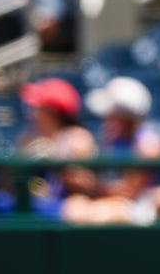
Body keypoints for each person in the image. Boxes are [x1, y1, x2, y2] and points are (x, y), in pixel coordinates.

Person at [61, 76, 160, 225]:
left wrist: (91, 184)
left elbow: (128, 193)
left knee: (85, 211)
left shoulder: (148, 143)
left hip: (143, 206)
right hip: (117, 202)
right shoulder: (113, 136)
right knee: (74, 206)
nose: (106, 119)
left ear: (123, 116)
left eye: (111, 114)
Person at [17, 77, 99, 218]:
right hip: (44, 205)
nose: (32, 113)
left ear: (52, 112)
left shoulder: (77, 138)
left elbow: (83, 185)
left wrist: (55, 160)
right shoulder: (31, 137)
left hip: (68, 208)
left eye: (37, 107)